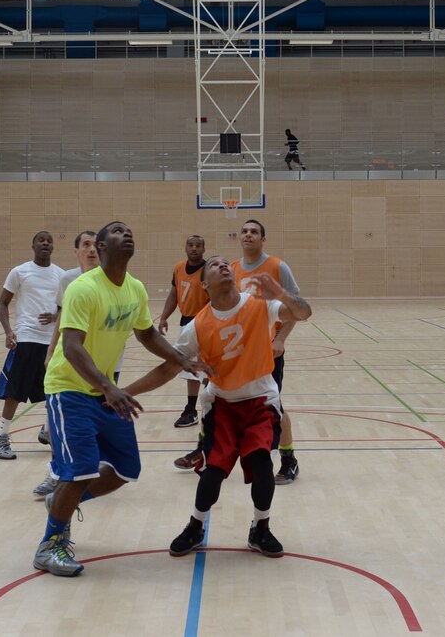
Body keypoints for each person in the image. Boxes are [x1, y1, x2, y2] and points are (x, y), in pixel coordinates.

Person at [33, 221, 211, 577]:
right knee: (81, 468)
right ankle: (50, 544)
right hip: (70, 389)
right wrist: (109, 388)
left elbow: (146, 334)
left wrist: (181, 359)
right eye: (116, 231)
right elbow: (70, 347)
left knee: (125, 470)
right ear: (100, 247)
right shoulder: (83, 288)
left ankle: (62, 503)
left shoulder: (135, 289)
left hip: (104, 390)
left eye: (129, 230)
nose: (126, 233)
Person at [125, 257, 311, 557]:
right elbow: (167, 369)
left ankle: (260, 529)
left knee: (263, 465)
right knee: (213, 472)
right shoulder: (198, 325)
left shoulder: (260, 305)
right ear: (204, 284)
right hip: (221, 404)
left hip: (261, 400)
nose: (224, 266)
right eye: (215, 265)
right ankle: (196, 526)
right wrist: (123, 391)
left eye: (227, 263)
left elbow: (303, 313)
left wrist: (280, 293)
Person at [175, 219, 303, 485]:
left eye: (254, 232)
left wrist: (280, 339)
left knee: (276, 405)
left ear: (263, 239)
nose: (248, 235)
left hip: (264, 350)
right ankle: (204, 448)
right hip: (228, 352)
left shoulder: (278, 267)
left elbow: (295, 306)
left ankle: (289, 459)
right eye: (244, 231)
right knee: (212, 399)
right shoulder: (230, 268)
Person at [32, 230, 100, 499]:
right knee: (61, 423)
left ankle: (90, 474)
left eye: (96, 245)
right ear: (76, 251)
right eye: (86, 244)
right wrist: (50, 350)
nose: (92, 249)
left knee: (95, 422)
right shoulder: (68, 279)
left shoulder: (112, 280)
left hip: (102, 364)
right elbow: (62, 316)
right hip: (69, 359)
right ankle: (57, 472)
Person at [0, 231, 64, 460]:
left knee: (54, 389)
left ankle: (48, 431)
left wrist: (54, 317)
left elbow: (64, 308)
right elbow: (3, 303)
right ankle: (0, 437)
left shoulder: (61, 276)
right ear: (33, 245)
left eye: (49, 240)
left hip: (51, 341)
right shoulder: (20, 272)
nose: (45, 243)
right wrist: (8, 331)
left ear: (53, 247)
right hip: (26, 337)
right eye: (41, 240)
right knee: (15, 391)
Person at [159, 235, 209, 428]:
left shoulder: (208, 270)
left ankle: (210, 407)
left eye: (198, 245)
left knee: (206, 368)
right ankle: (191, 409)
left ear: (204, 249)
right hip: (186, 323)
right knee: (190, 369)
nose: (194, 248)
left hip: (204, 323)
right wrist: (164, 317)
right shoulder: (179, 267)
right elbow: (174, 294)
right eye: (191, 245)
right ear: (185, 247)